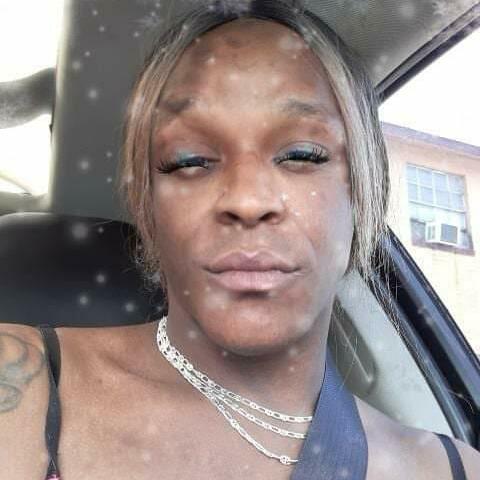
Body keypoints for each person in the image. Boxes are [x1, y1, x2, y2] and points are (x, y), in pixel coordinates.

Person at [1, 1, 479, 479]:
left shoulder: (452, 468)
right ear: (149, 207)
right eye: (189, 160)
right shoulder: (20, 385)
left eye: (302, 154)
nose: (247, 200)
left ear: (362, 192)